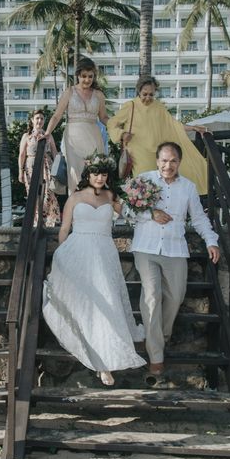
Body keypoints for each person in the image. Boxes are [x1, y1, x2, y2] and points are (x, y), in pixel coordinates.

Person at [43, 153, 146, 386]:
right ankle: (98, 360)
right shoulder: (75, 197)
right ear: (87, 175)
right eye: (95, 173)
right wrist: (61, 255)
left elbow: (132, 215)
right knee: (88, 307)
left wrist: (137, 198)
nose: (99, 177)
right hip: (79, 251)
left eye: (103, 174)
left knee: (108, 304)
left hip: (104, 252)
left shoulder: (111, 196)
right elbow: (64, 228)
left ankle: (105, 363)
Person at [131, 142, 220, 382]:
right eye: (163, 160)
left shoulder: (188, 187)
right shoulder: (143, 180)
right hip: (146, 247)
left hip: (175, 249)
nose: (167, 165)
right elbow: (127, 211)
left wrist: (211, 241)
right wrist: (152, 213)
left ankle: (160, 336)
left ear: (179, 162)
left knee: (176, 296)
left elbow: (199, 218)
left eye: (172, 161)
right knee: (151, 296)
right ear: (157, 160)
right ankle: (156, 357)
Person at [107, 76, 210, 194]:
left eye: (151, 94)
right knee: (143, 185)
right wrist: (122, 134)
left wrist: (192, 127)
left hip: (156, 153)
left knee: (157, 186)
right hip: (138, 152)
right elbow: (111, 123)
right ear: (138, 91)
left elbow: (173, 125)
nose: (148, 98)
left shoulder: (159, 107)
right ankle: (141, 210)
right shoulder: (130, 106)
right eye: (144, 94)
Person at [42, 57, 110, 192]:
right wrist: (47, 133)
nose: (87, 80)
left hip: (94, 137)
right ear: (78, 75)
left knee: (96, 171)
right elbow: (56, 116)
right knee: (75, 173)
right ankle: (75, 208)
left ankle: (94, 206)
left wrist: (117, 128)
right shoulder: (69, 92)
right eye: (84, 76)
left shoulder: (99, 95)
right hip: (73, 138)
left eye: (90, 76)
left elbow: (103, 117)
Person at [18, 109, 61, 227]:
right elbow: (22, 154)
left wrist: (59, 168)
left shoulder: (48, 136)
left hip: (47, 166)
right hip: (31, 167)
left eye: (42, 118)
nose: (39, 120)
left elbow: (55, 152)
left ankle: (49, 221)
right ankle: (36, 222)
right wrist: (20, 172)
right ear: (32, 120)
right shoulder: (26, 136)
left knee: (48, 193)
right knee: (33, 195)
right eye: (37, 118)